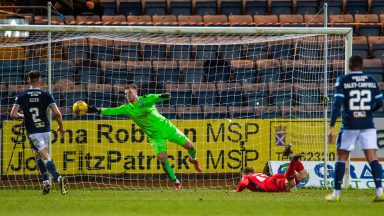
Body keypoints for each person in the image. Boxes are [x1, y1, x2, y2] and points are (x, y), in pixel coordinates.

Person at [86, 83, 202, 190]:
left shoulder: (146, 99)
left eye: (130, 92)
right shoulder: (126, 109)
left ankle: (194, 160)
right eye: (126, 94)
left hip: (167, 127)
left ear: (136, 92)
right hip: (155, 137)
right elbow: (111, 111)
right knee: (162, 158)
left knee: (190, 147)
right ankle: (177, 183)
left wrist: (165, 96)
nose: (127, 95)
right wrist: (97, 110)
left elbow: (158, 97)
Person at [326, 55, 384, 202]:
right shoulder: (371, 80)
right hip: (367, 125)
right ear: (362, 66)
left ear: (349, 66)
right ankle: (380, 191)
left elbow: (337, 104)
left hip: (350, 125)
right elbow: (379, 103)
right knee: (373, 157)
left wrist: (331, 126)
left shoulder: (343, 80)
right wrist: (367, 111)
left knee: (341, 157)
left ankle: (336, 195)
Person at [10, 70, 68, 195]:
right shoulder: (47, 95)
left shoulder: (22, 96)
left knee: (44, 156)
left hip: (33, 132)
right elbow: (57, 113)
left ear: (28, 81)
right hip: (46, 130)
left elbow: (13, 114)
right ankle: (46, 182)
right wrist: (61, 128)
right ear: (40, 80)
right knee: (37, 155)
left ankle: (58, 178)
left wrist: (24, 116)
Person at [235, 152, 308, 193]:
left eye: (242, 176)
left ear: (244, 174)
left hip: (270, 183)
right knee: (303, 175)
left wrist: (237, 190)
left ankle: (293, 161)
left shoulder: (247, 177)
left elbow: (243, 183)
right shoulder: (258, 174)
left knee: (292, 183)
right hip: (273, 178)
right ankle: (291, 154)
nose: (242, 177)